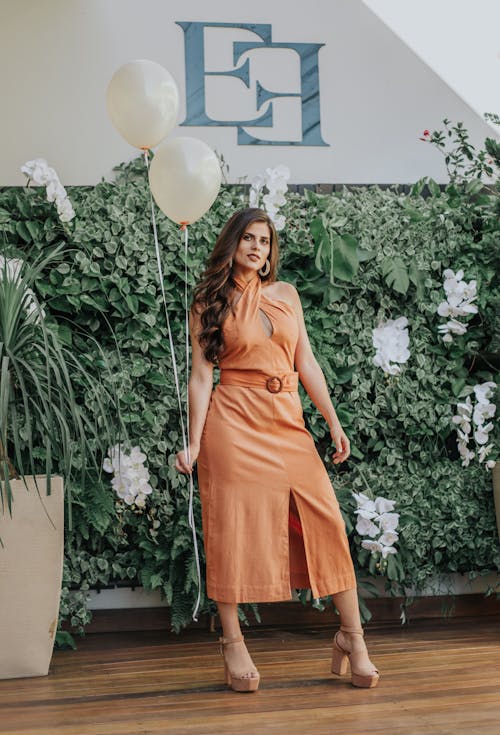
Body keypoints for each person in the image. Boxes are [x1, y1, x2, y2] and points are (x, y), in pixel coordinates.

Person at [175, 208, 379, 692]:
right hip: (233, 422)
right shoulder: (210, 299)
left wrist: (333, 422)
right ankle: (232, 641)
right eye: (247, 238)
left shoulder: (286, 295)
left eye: (264, 241)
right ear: (233, 243)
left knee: (326, 519)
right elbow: (203, 376)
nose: (256, 248)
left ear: (271, 251)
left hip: (286, 419)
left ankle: (353, 638)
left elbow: (305, 360)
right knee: (234, 525)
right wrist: (193, 440)